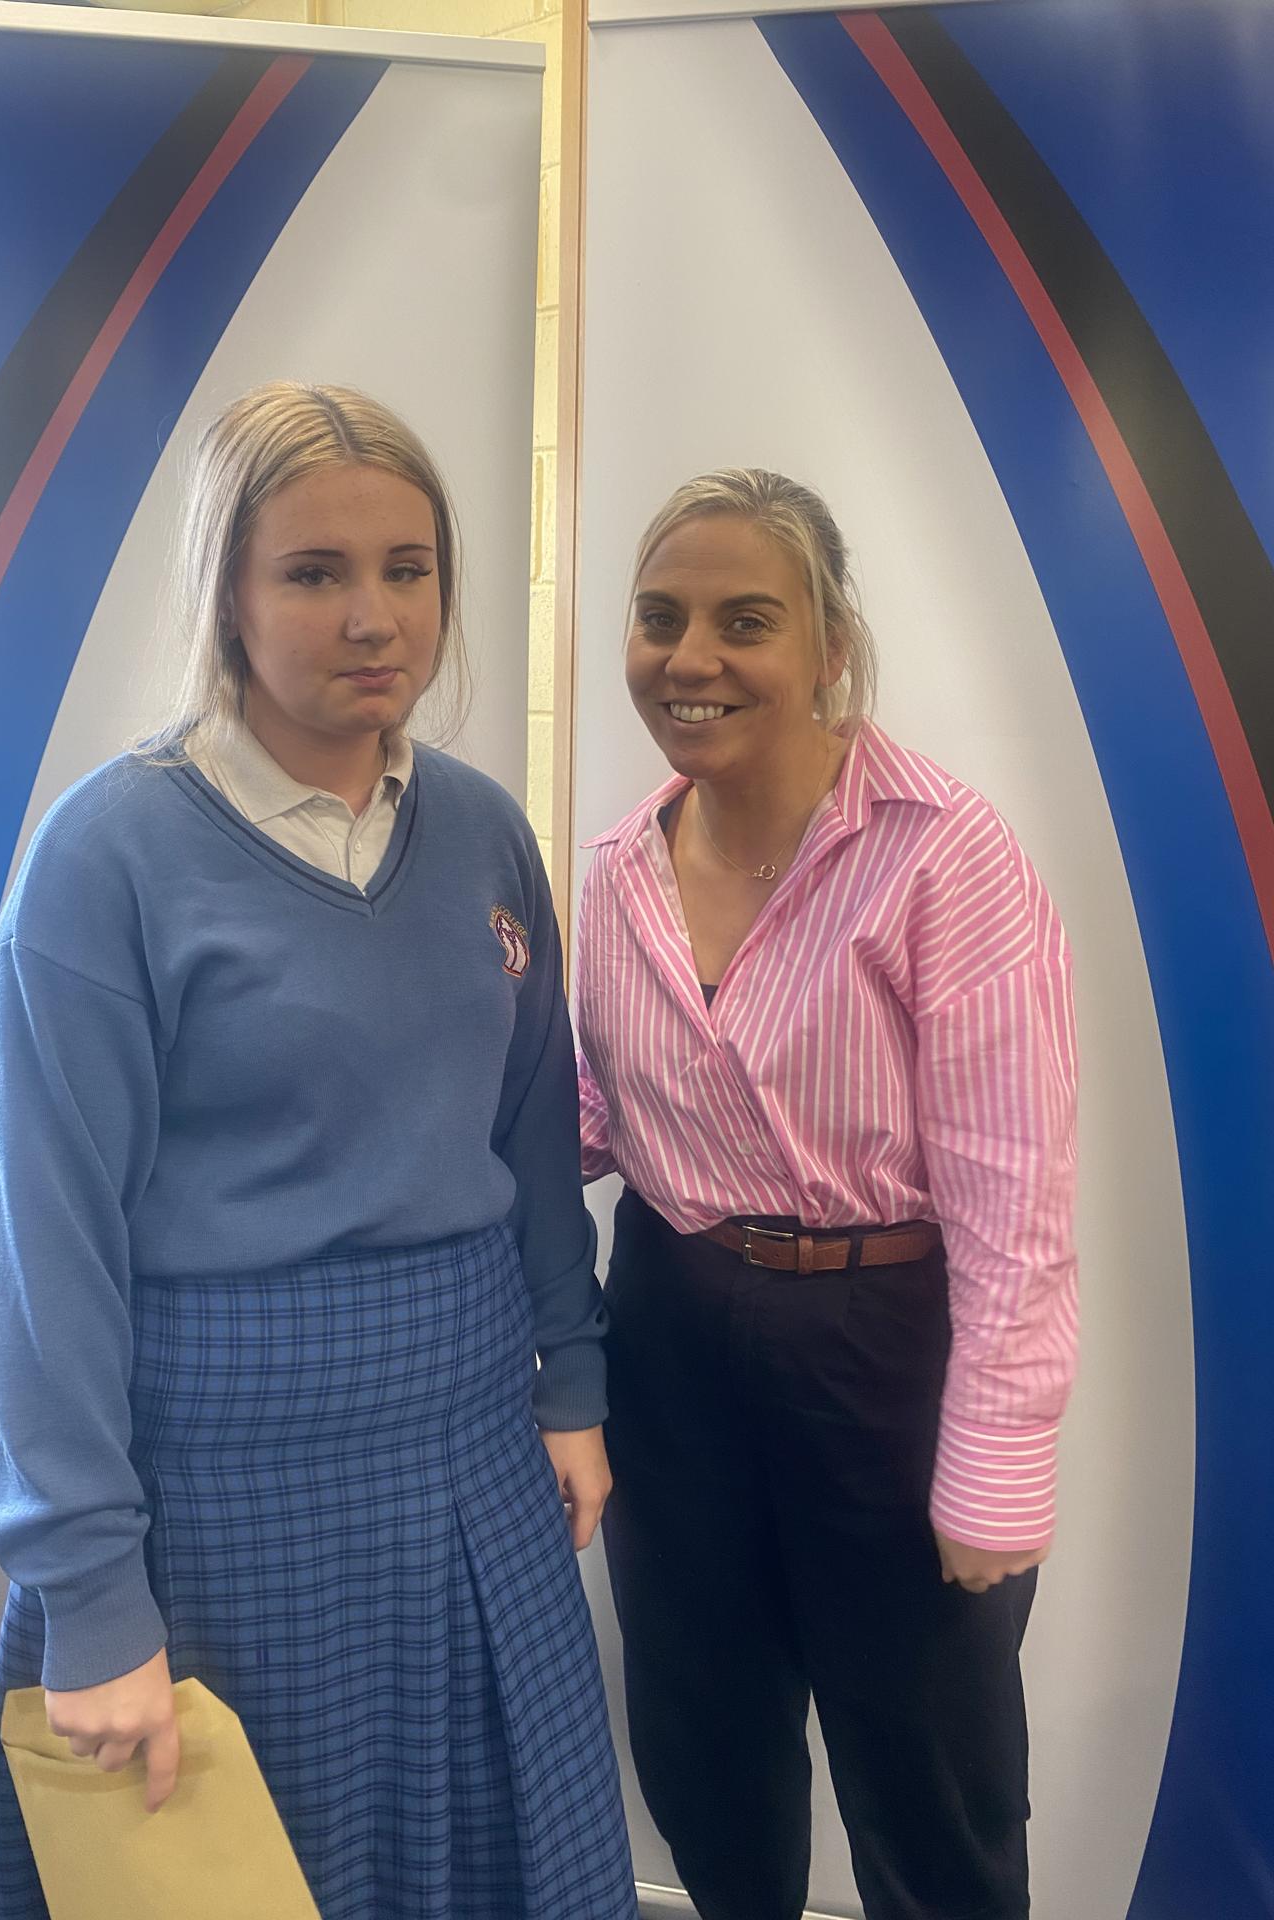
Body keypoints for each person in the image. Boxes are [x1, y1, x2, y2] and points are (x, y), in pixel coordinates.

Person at [0, 382, 637, 1920]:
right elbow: (47, 1255)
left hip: (470, 1439)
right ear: (227, 593)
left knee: (497, 1868)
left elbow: (533, 1131)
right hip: (222, 1474)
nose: (373, 617)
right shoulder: (105, 859)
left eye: (409, 569)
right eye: (314, 572)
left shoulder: (481, 833)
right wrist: (90, 1591)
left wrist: (573, 1380)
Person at [575, 468, 1077, 1920]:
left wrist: (997, 1459)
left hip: (882, 1352)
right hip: (668, 1331)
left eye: (746, 620)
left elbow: (1015, 1195)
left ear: (829, 645)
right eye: (660, 618)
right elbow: (594, 1117)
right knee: (704, 1751)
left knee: (928, 1781)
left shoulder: (944, 854)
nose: (692, 658)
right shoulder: (616, 872)